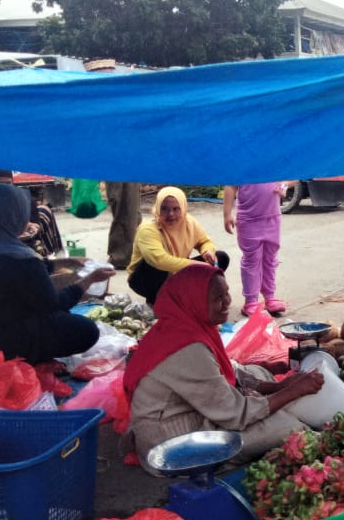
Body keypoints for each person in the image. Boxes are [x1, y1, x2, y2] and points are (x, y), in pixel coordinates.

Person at [122, 264, 325, 468]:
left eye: (226, 293)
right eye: (218, 298)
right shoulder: (186, 349)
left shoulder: (184, 325)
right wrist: (293, 391)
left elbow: (228, 368)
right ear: (195, 303)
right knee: (286, 427)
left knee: (257, 372)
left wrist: (278, 387)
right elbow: (235, 414)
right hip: (170, 442)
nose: (227, 302)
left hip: (189, 407)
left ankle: (271, 405)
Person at [0, 184, 115, 363]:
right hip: (3, 342)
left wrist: (64, 262)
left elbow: (14, 272)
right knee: (86, 329)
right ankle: (28, 358)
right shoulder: (21, 260)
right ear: (12, 217)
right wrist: (89, 280)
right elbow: (54, 303)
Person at [84, 58, 143, 269]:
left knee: (129, 209)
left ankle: (126, 253)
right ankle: (123, 254)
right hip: (116, 160)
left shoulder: (113, 98)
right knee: (123, 206)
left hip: (126, 158)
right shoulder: (100, 101)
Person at [127, 186, 230, 305]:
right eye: (164, 209)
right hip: (144, 278)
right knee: (157, 266)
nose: (171, 214)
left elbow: (204, 241)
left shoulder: (189, 222)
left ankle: (188, 294)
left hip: (176, 272)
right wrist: (196, 265)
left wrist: (207, 252)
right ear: (157, 208)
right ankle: (156, 300)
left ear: (183, 208)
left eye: (176, 209)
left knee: (220, 258)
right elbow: (160, 260)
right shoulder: (147, 230)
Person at [223, 182, 287, 317]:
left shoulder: (274, 162)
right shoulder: (243, 163)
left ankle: (270, 297)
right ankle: (251, 301)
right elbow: (231, 185)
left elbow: (293, 176)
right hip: (249, 219)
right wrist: (227, 214)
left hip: (272, 218)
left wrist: (284, 185)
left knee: (269, 259)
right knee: (252, 259)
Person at [0, 168, 65, 257]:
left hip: (23, 244)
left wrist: (30, 226)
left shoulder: (24, 200)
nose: (3, 188)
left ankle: (54, 253)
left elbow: (35, 225)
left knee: (45, 211)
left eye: (8, 183)